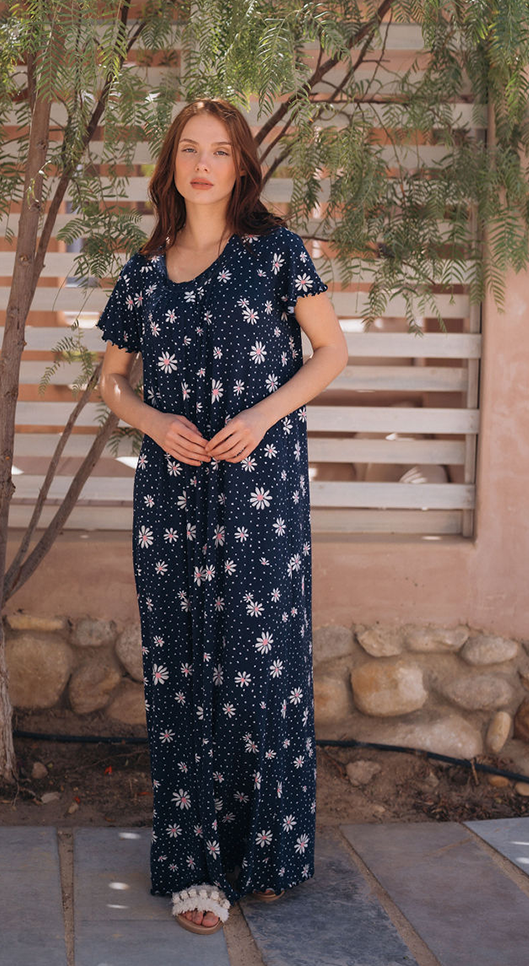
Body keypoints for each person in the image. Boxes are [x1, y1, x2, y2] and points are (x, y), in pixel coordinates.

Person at [97, 98, 348, 935]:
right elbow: (111, 383)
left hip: (261, 489)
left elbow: (333, 352)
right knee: (179, 667)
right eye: (190, 151)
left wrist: (268, 414)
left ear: (242, 165)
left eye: (221, 151)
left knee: (260, 666)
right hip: (171, 494)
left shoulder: (277, 253)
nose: (204, 164)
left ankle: (270, 854)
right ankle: (196, 866)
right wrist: (151, 422)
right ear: (172, 164)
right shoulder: (143, 269)